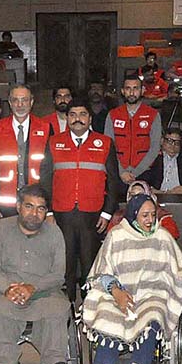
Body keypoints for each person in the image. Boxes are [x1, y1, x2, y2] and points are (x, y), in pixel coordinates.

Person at [83, 194, 182, 364]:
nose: (150, 220)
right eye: (144, 215)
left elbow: (180, 273)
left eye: (152, 215)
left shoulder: (163, 237)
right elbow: (101, 273)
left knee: (155, 313)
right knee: (106, 313)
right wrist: (116, 292)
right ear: (133, 215)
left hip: (152, 293)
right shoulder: (117, 236)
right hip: (119, 291)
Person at [0, 184, 72, 364]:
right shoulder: (2, 228)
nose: (34, 213)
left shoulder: (54, 233)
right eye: (29, 206)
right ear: (18, 206)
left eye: (41, 208)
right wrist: (8, 288)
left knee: (58, 308)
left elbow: (58, 274)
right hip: (8, 292)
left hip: (43, 291)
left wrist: (33, 288)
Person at [39, 99, 119, 302]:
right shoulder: (53, 142)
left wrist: (107, 213)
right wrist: (47, 212)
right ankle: (65, 308)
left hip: (92, 215)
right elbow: (45, 178)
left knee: (89, 264)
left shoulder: (105, 143)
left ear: (90, 118)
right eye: (73, 115)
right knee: (63, 264)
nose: (77, 119)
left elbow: (113, 181)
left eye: (82, 114)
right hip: (61, 214)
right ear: (67, 118)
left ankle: (90, 307)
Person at [0, 84, 51, 214]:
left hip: (36, 201)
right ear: (10, 103)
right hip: (7, 201)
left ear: (31, 102)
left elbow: (49, 170)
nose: (20, 104)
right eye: (15, 100)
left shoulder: (45, 128)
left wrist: (49, 206)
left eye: (24, 100)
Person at [105, 75, 161, 190]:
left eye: (135, 88)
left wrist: (136, 172)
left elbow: (155, 148)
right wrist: (121, 172)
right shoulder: (112, 115)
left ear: (142, 91)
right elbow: (108, 147)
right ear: (122, 91)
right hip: (118, 173)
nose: (131, 92)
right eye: (128, 88)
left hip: (145, 173)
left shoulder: (153, 115)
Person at [136, 127, 182, 194]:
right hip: (156, 195)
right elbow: (141, 178)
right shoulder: (153, 156)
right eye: (169, 141)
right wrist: (149, 189)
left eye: (177, 143)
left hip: (181, 196)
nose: (173, 146)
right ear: (162, 141)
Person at [106, 180, 180, 239]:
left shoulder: (161, 216)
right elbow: (111, 238)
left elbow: (170, 237)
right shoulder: (119, 216)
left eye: (140, 194)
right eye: (133, 195)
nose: (136, 198)